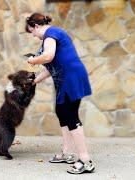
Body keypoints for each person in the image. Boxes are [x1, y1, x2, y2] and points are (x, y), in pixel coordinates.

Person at [25, 13, 96, 174]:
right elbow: (50, 67)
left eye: (32, 32)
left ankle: (85, 160)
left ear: (36, 26)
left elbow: (48, 57)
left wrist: (33, 60)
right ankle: (67, 153)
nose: (34, 36)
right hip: (68, 77)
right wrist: (34, 81)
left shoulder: (50, 35)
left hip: (70, 78)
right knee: (62, 112)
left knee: (70, 115)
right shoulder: (53, 36)